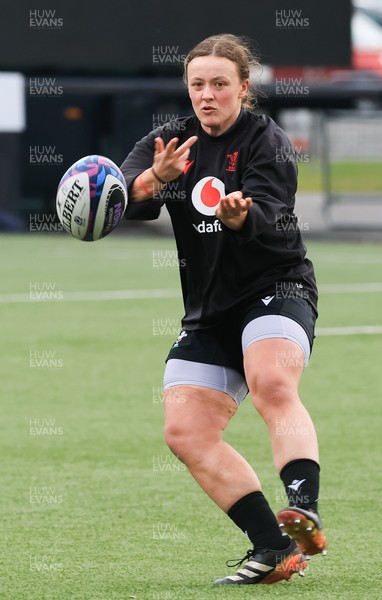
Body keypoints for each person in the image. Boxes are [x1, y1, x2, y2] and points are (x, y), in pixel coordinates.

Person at [120, 33, 327, 585]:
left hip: (276, 286)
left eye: (219, 84)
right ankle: (275, 548)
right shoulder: (169, 141)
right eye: (197, 85)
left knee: (271, 383)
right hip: (210, 309)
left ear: (243, 87)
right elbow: (118, 201)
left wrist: (241, 217)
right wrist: (154, 179)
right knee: (185, 432)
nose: (207, 95)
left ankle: (303, 506)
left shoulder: (268, 141)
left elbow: (270, 215)